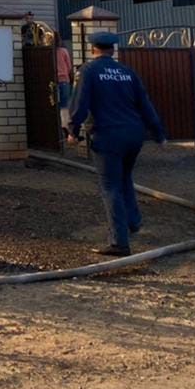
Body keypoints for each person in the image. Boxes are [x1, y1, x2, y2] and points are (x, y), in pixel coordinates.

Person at [67, 31, 167, 256]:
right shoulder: (127, 72)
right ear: (112, 49)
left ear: (93, 49)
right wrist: (159, 133)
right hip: (134, 135)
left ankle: (119, 242)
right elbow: (145, 104)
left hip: (107, 136)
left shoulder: (89, 71)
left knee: (110, 186)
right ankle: (133, 221)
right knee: (124, 178)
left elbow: (80, 102)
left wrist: (73, 130)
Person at [50, 31, 74, 131]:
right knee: (64, 103)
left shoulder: (48, 52)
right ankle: (65, 125)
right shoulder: (63, 51)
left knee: (54, 103)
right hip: (64, 79)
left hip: (52, 80)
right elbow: (69, 67)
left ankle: (55, 124)